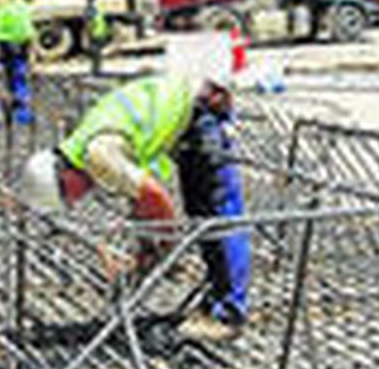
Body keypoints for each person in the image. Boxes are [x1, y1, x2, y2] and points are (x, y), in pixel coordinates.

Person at [20, 70, 249, 344]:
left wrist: (167, 248)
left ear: (63, 175)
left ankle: (228, 316)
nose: (75, 202)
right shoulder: (83, 146)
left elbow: (156, 197)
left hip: (201, 110)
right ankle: (214, 302)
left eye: (68, 197)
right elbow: (139, 200)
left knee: (219, 216)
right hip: (189, 114)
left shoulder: (97, 157)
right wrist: (147, 248)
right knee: (201, 213)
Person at [0, 0, 39, 127]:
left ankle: (8, 106)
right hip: (19, 47)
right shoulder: (24, 9)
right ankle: (22, 116)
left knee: (9, 80)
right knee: (21, 79)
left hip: (4, 47)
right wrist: (32, 54)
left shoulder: (5, 7)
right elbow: (27, 32)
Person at [83, 0, 110, 77]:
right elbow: (90, 23)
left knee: (97, 54)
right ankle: (96, 71)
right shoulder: (91, 9)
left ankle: (97, 70)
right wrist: (89, 33)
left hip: (98, 33)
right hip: (95, 34)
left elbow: (96, 21)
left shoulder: (93, 8)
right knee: (96, 54)